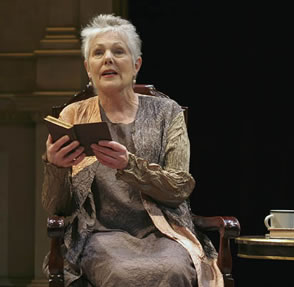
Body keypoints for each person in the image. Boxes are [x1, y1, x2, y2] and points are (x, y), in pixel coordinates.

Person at [41, 14, 223, 287]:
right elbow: (57, 207)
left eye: (118, 51)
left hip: (163, 233)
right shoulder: (73, 115)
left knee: (174, 268)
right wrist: (55, 167)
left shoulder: (166, 112)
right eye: (98, 53)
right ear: (88, 68)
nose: (108, 59)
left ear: (136, 65)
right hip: (101, 236)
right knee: (122, 272)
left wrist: (130, 165)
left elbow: (179, 189)